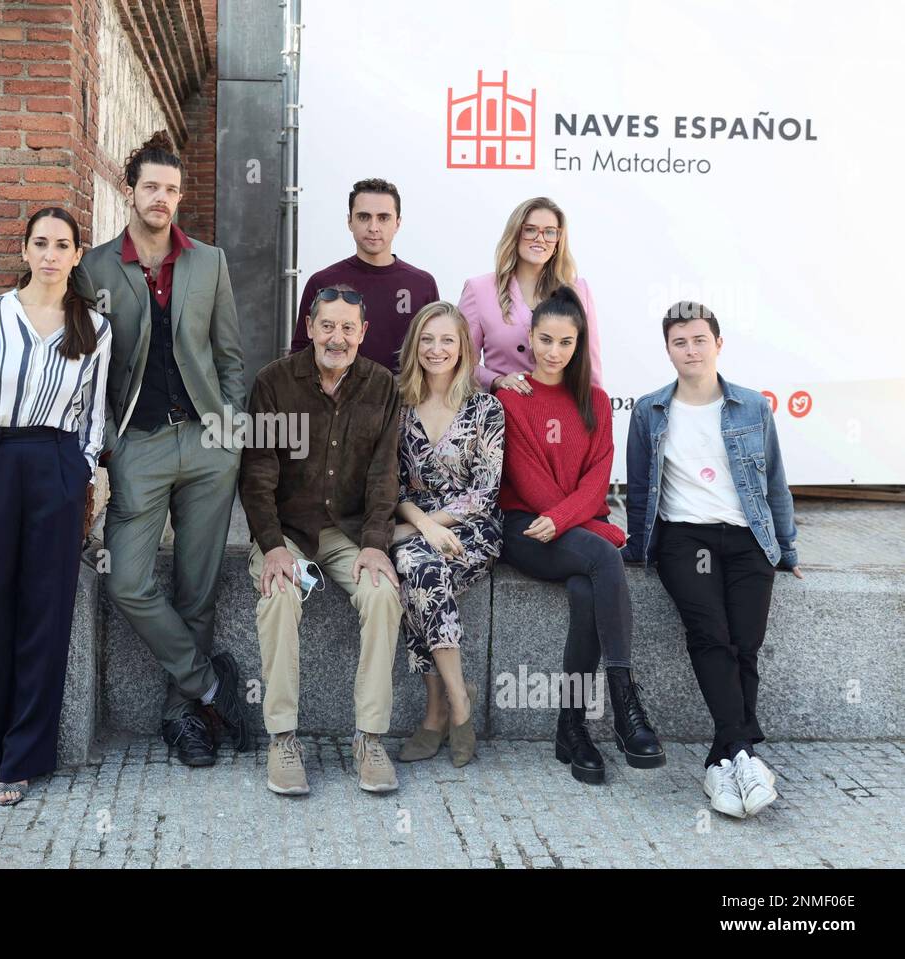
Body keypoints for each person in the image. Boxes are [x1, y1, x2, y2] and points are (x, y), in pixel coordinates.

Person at [79, 131, 253, 767]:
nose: (161, 198)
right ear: (131, 189)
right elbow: (82, 363)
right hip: (139, 447)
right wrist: (105, 446)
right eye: (151, 186)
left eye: (172, 190)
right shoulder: (94, 268)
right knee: (126, 578)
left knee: (196, 589)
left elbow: (230, 355)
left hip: (209, 445)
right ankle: (209, 684)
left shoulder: (209, 262)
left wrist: (231, 428)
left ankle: (184, 720)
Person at [0, 207, 111, 806]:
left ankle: (22, 758)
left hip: (56, 465)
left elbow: (94, 413)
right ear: (25, 250)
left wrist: (80, 467)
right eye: (40, 243)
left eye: (62, 245)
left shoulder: (93, 326)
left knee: (45, 611)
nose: (50, 254)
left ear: (76, 255)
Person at [624, 301, 801, 819]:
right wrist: (638, 547)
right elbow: (639, 489)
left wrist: (786, 548)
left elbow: (773, 482)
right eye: (680, 342)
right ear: (668, 351)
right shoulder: (650, 410)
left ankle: (721, 761)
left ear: (718, 345)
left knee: (745, 644)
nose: (691, 349)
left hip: (747, 540)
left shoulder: (751, 406)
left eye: (700, 340)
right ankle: (746, 752)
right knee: (710, 635)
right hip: (686, 541)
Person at [497, 285, 664, 785]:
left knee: (588, 584)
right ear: (529, 338)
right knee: (602, 554)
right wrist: (584, 521)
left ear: (579, 344)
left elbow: (598, 478)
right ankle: (623, 699)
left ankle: (571, 727)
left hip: (569, 529)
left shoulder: (594, 400)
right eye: (545, 339)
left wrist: (576, 519)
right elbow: (530, 483)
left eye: (565, 342)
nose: (553, 352)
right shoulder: (513, 395)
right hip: (525, 527)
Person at [241, 283, 404, 795]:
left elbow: (384, 476)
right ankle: (283, 738)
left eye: (348, 328)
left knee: (382, 594)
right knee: (280, 594)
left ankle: (370, 738)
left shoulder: (382, 386)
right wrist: (271, 548)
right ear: (309, 327)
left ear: (363, 333)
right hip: (287, 532)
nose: (337, 337)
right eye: (327, 326)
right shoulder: (273, 383)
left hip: (351, 531)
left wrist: (377, 542)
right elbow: (257, 475)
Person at [390, 301, 504, 768]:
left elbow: (485, 491)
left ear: (464, 349)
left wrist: (440, 526)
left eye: (447, 340)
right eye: (428, 339)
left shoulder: (485, 408)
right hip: (416, 524)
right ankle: (457, 701)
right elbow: (388, 482)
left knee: (416, 569)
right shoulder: (397, 405)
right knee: (419, 566)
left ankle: (439, 711)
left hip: (473, 529)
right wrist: (423, 524)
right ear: (415, 344)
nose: (437, 349)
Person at [458, 197, 604, 397]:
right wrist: (497, 381)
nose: (540, 238)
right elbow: (461, 364)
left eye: (550, 232)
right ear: (516, 233)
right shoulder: (479, 289)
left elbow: (590, 367)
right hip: (506, 413)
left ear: (558, 241)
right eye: (531, 229)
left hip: (563, 411)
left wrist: (595, 413)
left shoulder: (578, 289)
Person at [290, 178, 440, 372]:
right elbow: (301, 353)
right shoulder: (323, 282)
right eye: (363, 217)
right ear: (349, 221)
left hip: (405, 398)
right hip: (339, 399)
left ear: (398, 223)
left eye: (383, 217)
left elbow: (434, 350)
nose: (373, 227)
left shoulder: (422, 284)